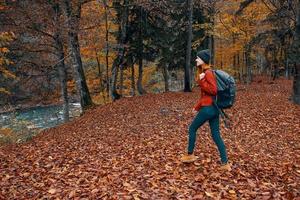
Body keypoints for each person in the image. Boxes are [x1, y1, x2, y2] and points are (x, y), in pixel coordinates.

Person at [181, 49, 229, 168]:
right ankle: (225, 163)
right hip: (213, 108)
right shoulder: (207, 72)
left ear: (203, 60)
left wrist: (202, 80)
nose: (196, 59)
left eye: (198, 58)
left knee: (192, 128)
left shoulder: (207, 73)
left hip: (208, 109)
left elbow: (213, 90)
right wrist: (197, 107)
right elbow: (206, 95)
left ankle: (189, 155)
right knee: (215, 135)